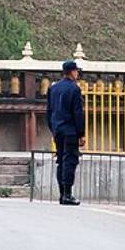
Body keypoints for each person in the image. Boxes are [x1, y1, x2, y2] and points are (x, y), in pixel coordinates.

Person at [46, 60, 86, 206]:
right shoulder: (74, 89)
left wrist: (53, 129)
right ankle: (67, 194)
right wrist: (81, 134)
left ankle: (62, 193)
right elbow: (78, 113)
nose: (77, 74)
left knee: (60, 161)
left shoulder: (53, 88)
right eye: (76, 71)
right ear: (72, 72)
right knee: (70, 161)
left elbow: (49, 112)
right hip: (70, 131)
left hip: (58, 130)